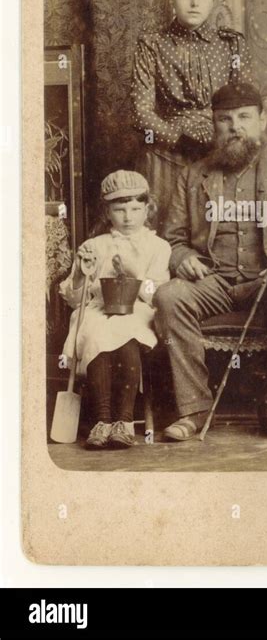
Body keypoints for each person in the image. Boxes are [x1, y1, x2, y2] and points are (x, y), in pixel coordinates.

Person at [153, 82, 267, 443]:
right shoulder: (193, 175)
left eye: (244, 118)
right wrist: (184, 258)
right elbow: (172, 240)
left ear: (263, 120)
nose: (235, 127)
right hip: (213, 282)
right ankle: (192, 410)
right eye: (225, 119)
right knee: (168, 297)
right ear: (214, 124)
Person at [131, 0, 254, 234]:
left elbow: (246, 103)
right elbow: (141, 112)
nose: (195, 3)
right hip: (167, 154)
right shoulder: (152, 44)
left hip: (220, 149)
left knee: (219, 233)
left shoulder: (232, 44)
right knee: (163, 235)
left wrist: (223, 140)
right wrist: (177, 139)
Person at [59, 170, 171, 449]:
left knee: (125, 331)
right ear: (107, 211)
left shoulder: (158, 247)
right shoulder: (94, 246)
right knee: (96, 331)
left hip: (139, 310)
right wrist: (81, 275)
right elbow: (76, 300)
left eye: (135, 209)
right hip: (98, 309)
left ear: (148, 209)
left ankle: (123, 420)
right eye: (119, 210)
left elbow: (157, 296)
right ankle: (102, 420)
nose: (128, 217)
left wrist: (135, 274)